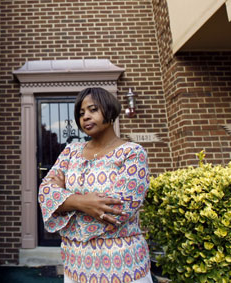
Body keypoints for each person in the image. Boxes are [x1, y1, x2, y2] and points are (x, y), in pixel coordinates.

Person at [38, 87, 152, 283]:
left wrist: (65, 203)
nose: (85, 117)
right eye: (81, 113)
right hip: (76, 264)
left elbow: (120, 208)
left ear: (110, 110)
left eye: (93, 110)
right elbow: (46, 193)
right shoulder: (71, 152)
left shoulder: (132, 153)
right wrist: (82, 203)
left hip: (122, 265)